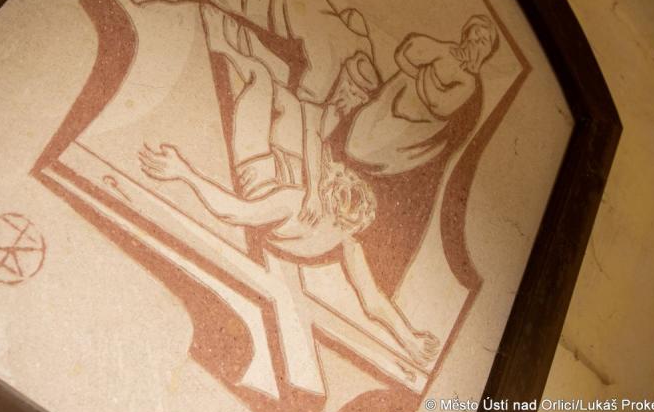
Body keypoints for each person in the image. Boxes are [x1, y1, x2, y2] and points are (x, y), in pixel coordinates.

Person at [138, 140, 440, 368]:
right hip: (260, 174)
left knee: (282, 106)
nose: (337, 228)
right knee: (271, 97)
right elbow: (234, 212)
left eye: (344, 224)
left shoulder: (347, 241)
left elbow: (373, 301)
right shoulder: (294, 203)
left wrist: (410, 340)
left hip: (279, 170)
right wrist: (184, 172)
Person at [127, 0, 381, 224]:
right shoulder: (325, 70)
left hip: (262, 169)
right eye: (351, 96)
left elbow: (354, 17)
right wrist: (314, 190)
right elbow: (312, 130)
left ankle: (226, 38)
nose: (350, 105)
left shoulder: (358, 45)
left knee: (270, 79)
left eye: (358, 101)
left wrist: (183, 172)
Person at [345, 15, 499, 175]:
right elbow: (404, 52)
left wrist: (422, 73)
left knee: (380, 149)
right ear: (466, 32)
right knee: (366, 128)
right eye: (476, 32)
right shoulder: (446, 49)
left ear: (485, 53)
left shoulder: (468, 81)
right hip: (390, 104)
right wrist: (422, 74)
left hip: (418, 126)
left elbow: (440, 106)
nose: (476, 40)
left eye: (483, 41)